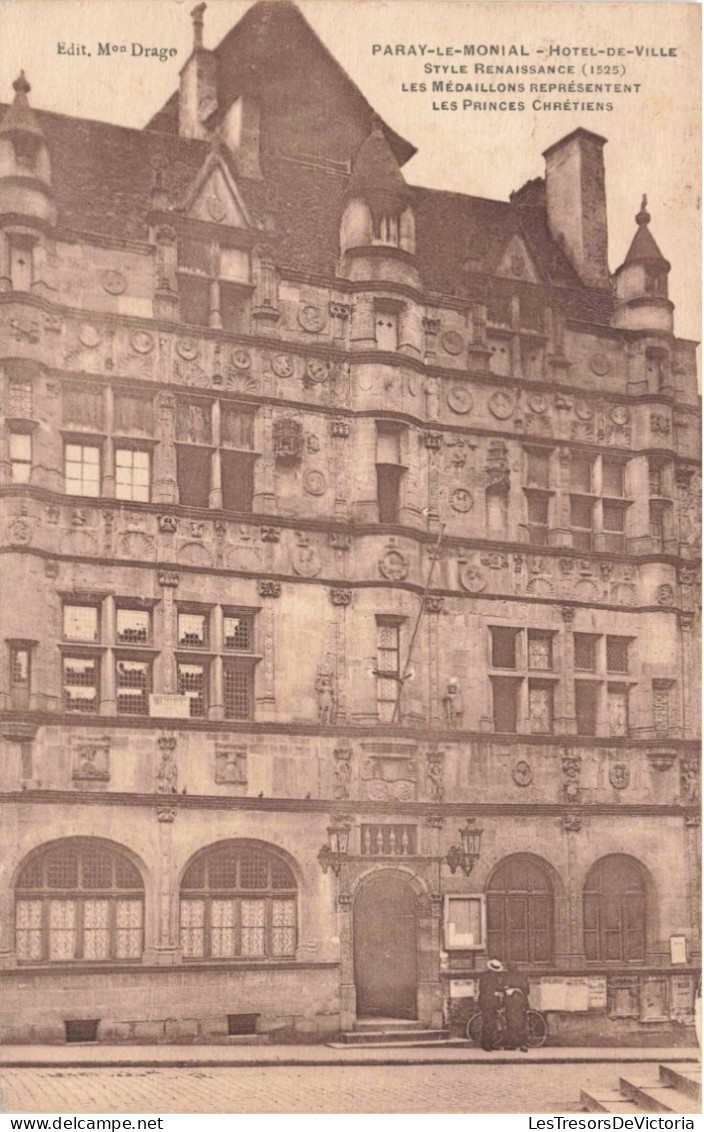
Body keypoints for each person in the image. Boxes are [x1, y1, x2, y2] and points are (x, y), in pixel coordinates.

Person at [477, 958, 505, 1051]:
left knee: (492, 1024)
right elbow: (485, 990)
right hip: (486, 1003)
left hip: (492, 1003)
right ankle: (486, 1044)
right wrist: (495, 992)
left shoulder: (493, 977)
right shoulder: (485, 977)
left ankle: (491, 1043)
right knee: (488, 1024)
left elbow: (497, 988)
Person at [504, 965, 530, 1052]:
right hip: (514, 1004)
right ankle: (518, 1044)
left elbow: (526, 990)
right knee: (515, 1024)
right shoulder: (522, 976)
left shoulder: (510, 977)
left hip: (518, 1004)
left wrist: (515, 990)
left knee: (516, 1024)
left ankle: (518, 1044)